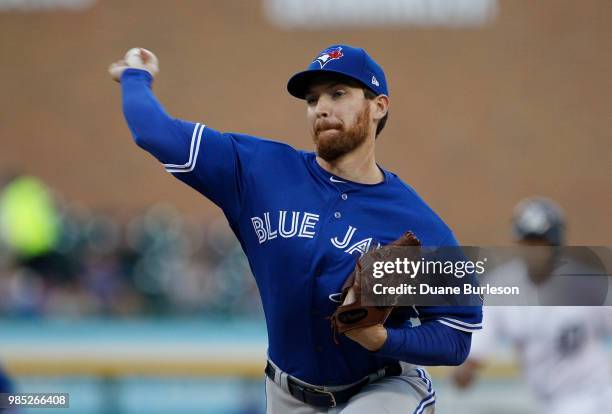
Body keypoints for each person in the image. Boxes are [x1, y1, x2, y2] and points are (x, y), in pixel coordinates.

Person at [110, 44, 482, 413]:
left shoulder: (416, 221)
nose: (321, 108)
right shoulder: (259, 171)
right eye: (312, 99)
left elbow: (455, 336)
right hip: (287, 394)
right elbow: (154, 133)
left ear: (378, 106)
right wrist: (136, 76)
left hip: (383, 388)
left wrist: (384, 338)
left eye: (338, 94)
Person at [452, 197, 612, 414]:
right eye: (529, 242)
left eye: (541, 242)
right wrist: (467, 369)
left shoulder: (584, 283)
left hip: (597, 392)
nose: (535, 250)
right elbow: (480, 342)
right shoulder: (502, 287)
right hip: (551, 401)